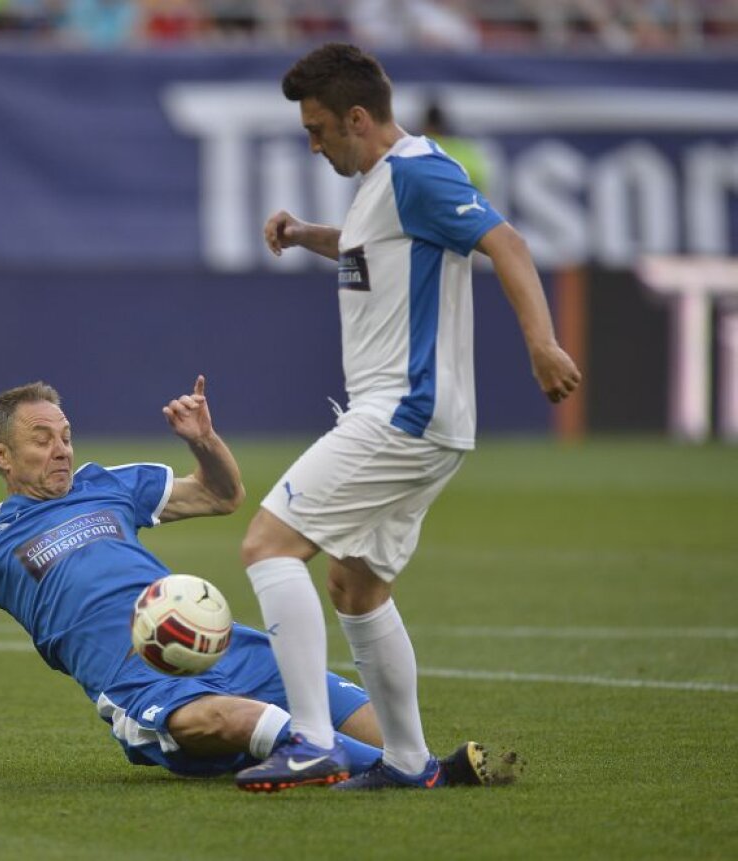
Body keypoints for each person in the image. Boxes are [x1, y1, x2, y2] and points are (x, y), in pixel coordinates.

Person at [0, 376, 486, 785]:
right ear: (1, 455)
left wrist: (204, 440)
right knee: (217, 717)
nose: (61, 448)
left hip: (219, 642)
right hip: (136, 677)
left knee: (349, 706)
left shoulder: (105, 484)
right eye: (42, 439)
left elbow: (224, 496)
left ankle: (406, 758)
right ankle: (406, 773)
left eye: (64, 435)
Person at [234, 43, 581, 792]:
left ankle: (312, 739)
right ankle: (405, 761)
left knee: (268, 544)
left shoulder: (421, 171)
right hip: (421, 422)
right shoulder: (381, 184)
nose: (313, 142)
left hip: (403, 412)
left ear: (359, 118)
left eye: (320, 127)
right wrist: (304, 236)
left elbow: (508, 243)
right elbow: (371, 251)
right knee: (356, 586)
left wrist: (544, 344)